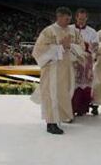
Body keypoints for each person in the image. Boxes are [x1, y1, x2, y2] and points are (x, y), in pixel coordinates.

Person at [31, 7, 85, 135]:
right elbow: (38, 51)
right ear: (59, 17)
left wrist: (70, 46)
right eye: (66, 19)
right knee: (52, 95)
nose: (68, 22)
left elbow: (81, 47)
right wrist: (60, 47)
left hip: (67, 69)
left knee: (63, 94)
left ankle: (58, 119)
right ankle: (51, 123)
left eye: (69, 19)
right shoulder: (48, 31)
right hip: (52, 70)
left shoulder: (73, 31)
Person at [70, 8, 99, 116]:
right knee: (72, 85)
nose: (81, 21)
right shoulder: (69, 29)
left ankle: (82, 109)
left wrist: (88, 46)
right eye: (79, 18)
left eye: (83, 19)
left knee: (84, 86)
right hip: (72, 62)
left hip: (86, 63)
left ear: (86, 18)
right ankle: (71, 108)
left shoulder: (92, 32)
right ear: (76, 17)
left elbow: (96, 48)